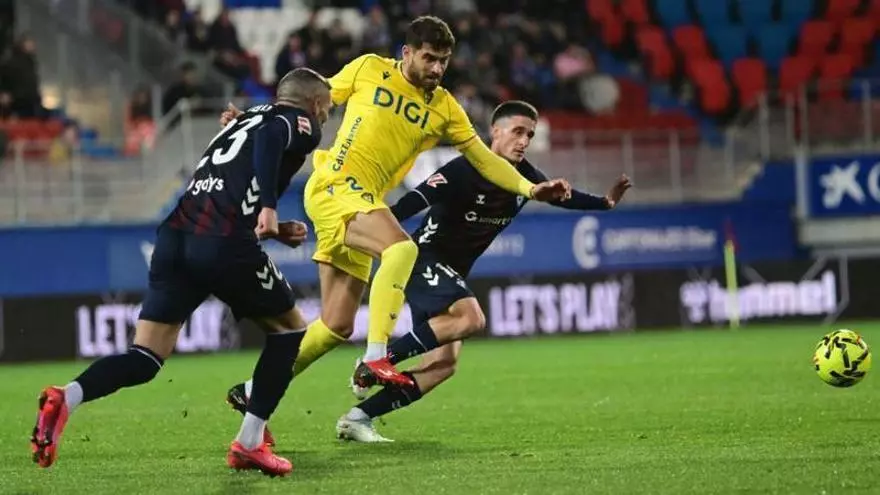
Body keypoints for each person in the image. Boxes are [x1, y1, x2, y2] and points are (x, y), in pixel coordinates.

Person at [227, 100, 630, 443]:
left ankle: (357, 418)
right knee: (471, 317)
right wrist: (376, 230)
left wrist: (605, 203)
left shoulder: (524, 178)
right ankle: (375, 362)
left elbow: (564, 196)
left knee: (444, 365)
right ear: (496, 131)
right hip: (422, 258)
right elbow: (413, 202)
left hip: (449, 274)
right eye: (518, 131)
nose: (524, 141)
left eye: (530, 134)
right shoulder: (463, 169)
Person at [219, 16, 570, 402]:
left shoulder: (446, 110)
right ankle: (376, 358)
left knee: (336, 325)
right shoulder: (370, 68)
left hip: (364, 201)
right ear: (407, 53)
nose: (437, 68)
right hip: (335, 185)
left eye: (444, 61)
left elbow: (486, 161)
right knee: (402, 248)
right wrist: (255, 119)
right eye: (429, 58)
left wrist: (530, 187)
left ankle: (253, 391)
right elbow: (305, 99)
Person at [29, 68, 332, 477]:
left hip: (175, 237)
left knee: (146, 357)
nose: (326, 117)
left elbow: (229, 183)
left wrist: (272, 230)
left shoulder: (241, 120)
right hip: (222, 242)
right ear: (313, 103)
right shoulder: (296, 122)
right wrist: (269, 207)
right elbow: (272, 138)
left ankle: (67, 397)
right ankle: (249, 442)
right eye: (327, 108)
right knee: (290, 330)